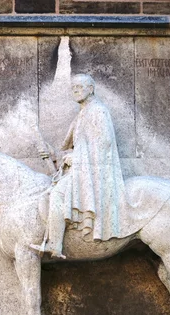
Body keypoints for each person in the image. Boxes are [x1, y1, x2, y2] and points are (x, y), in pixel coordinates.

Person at [31, 74, 127, 259]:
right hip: (83, 169)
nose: (75, 90)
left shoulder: (98, 111)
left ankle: (55, 245)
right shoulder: (82, 114)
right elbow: (67, 150)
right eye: (73, 87)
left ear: (91, 89)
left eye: (79, 87)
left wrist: (77, 158)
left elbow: (104, 143)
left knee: (58, 194)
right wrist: (51, 153)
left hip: (95, 172)